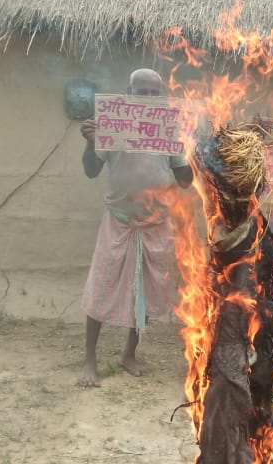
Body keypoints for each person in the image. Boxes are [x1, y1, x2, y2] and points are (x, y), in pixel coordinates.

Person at [77, 69, 193, 387]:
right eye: (142, 92)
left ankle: (129, 354)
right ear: (129, 93)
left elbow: (185, 182)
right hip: (119, 221)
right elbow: (90, 171)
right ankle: (90, 360)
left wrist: (188, 149)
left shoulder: (166, 129)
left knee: (146, 291)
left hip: (155, 224)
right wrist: (91, 142)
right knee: (101, 285)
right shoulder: (113, 125)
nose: (149, 98)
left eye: (155, 93)